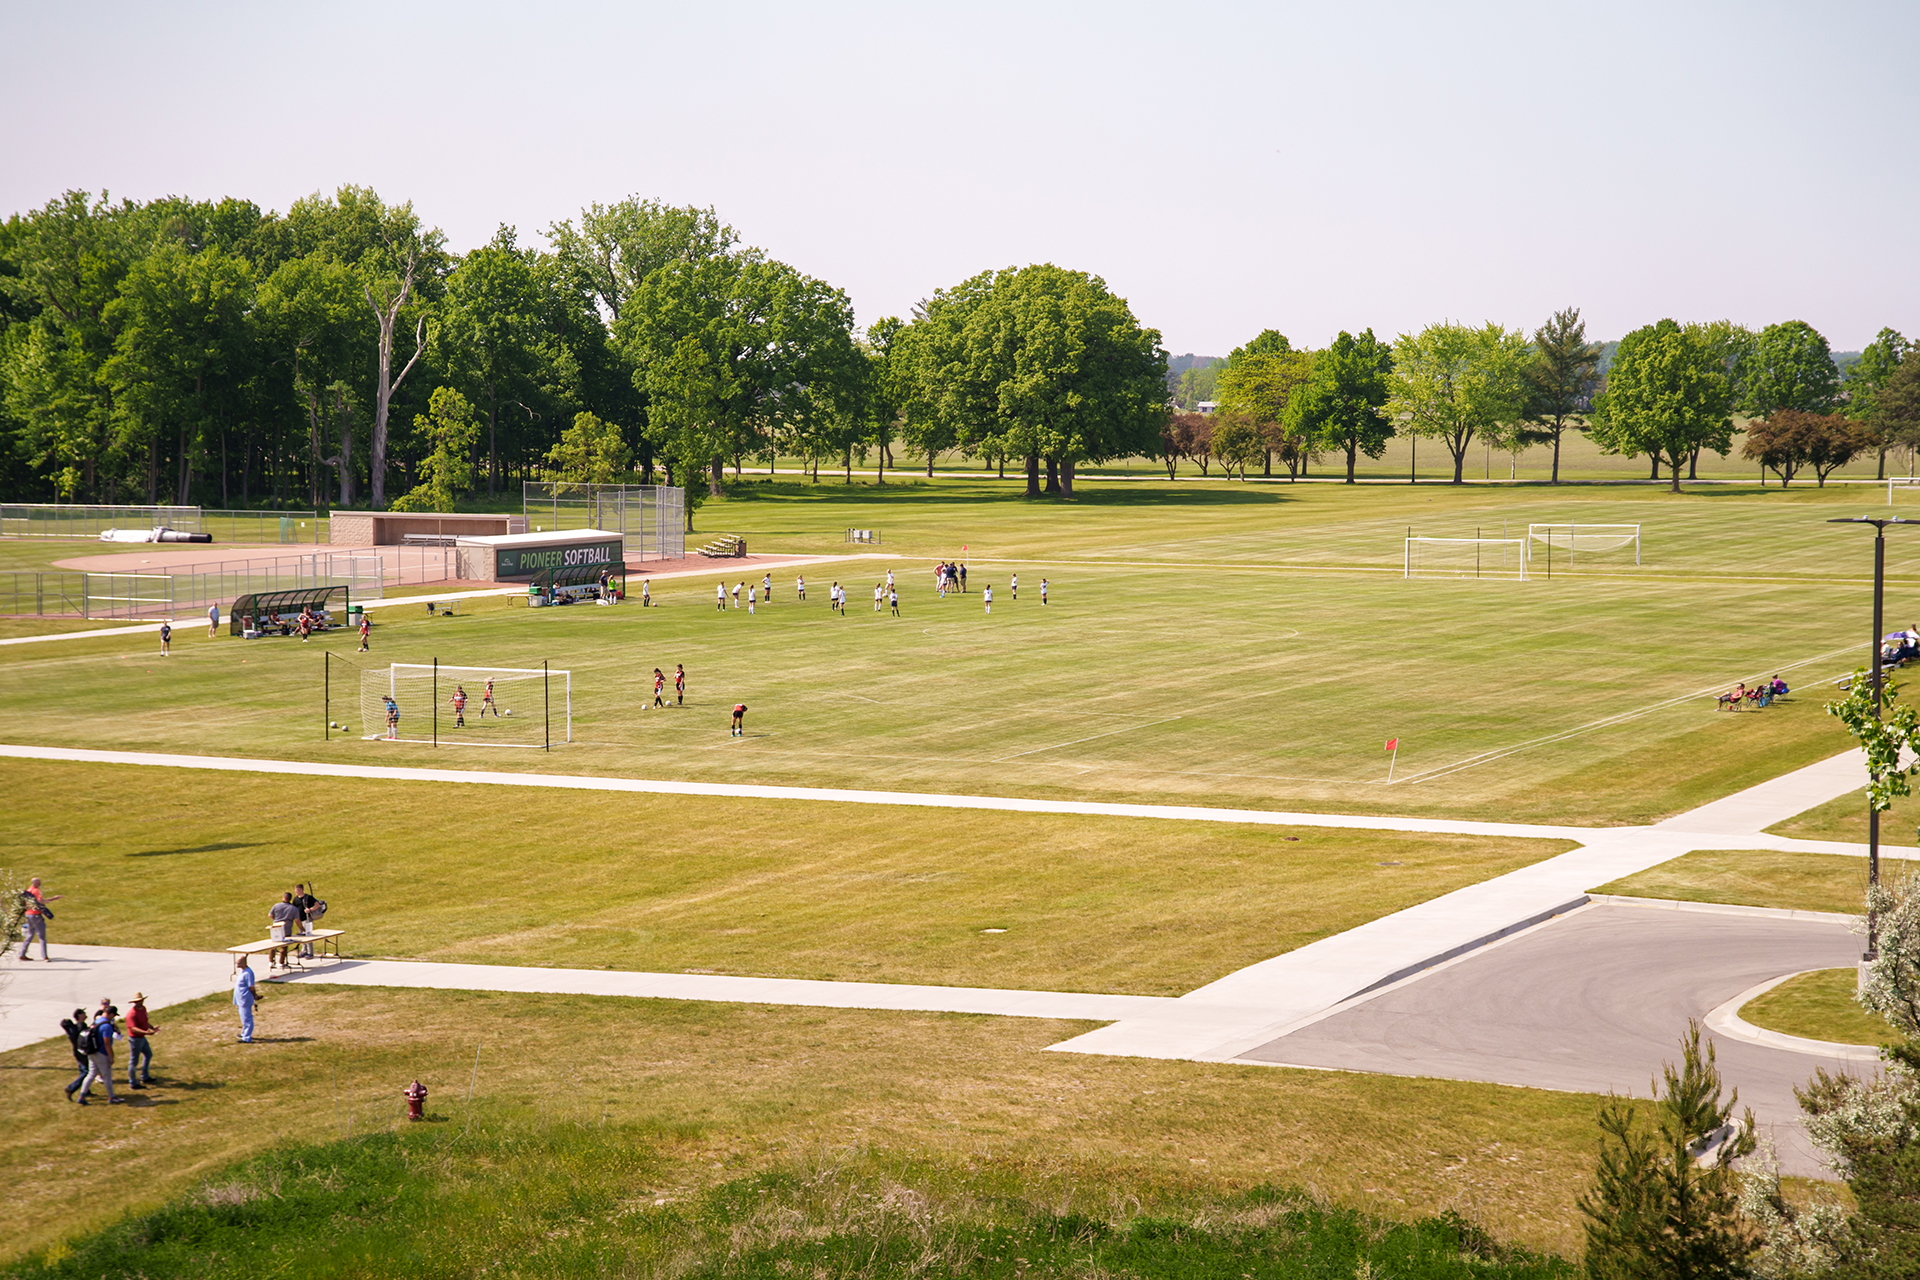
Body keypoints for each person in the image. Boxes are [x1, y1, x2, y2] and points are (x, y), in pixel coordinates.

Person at [77, 1006, 121, 1104]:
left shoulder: (97, 1020)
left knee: (91, 1074)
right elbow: (107, 1043)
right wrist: (111, 1056)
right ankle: (112, 1097)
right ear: (111, 1014)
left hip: (92, 1052)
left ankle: (82, 1096)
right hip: (102, 1053)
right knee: (107, 1076)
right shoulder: (107, 1026)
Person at [17, 876, 59, 960]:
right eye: (39, 883)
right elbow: (40, 901)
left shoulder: (29, 890)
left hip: (28, 914)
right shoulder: (36, 891)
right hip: (36, 915)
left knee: (30, 934)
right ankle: (45, 956)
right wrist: (53, 899)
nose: (39, 884)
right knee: (42, 936)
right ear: (35, 883)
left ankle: (22, 954)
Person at [125, 992, 156, 1088]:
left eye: (140, 1000)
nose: (139, 1002)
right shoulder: (131, 1014)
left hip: (142, 1038)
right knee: (134, 1061)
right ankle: (133, 1082)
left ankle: (145, 1076)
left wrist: (152, 1027)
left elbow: (145, 1021)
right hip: (135, 1039)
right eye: (137, 1001)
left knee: (148, 1054)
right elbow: (133, 1028)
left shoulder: (143, 1009)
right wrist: (146, 1032)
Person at [60, 1008, 91, 1101]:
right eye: (83, 1013)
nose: (85, 1014)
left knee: (83, 1071)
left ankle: (86, 1090)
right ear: (79, 1015)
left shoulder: (74, 1027)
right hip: (82, 1052)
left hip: (76, 1052)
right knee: (87, 1073)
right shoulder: (81, 1025)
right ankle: (71, 1088)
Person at [269, 892, 301, 969]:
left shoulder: (276, 906)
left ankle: (271, 961)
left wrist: (277, 921)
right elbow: (297, 920)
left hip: (276, 928)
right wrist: (302, 929)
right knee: (284, 946)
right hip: (286, 928)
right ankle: (281, 963)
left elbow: (270, 915)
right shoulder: (293, 908)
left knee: (273, 945)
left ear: (283, 898)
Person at [233, 955, 258, 1043]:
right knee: (243, 1017)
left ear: (244, 963)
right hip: (240, 999)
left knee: (247, 1018)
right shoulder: (242, 971)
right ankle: (244, 1033)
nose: (237, 964)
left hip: (245, 999)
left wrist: (255, 996)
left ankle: (247, 1038)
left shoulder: (248, 973)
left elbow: (251, 986)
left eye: (239, 963)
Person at [294, 883, 320, 958]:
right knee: (302, 935)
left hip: (307, 919)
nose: (297, 891)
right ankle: (304, 951)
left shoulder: (308, 897)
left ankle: (310, 952)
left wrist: (310, 910)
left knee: (308, 935)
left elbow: (317, 905)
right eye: (296, 890)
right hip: (299, 920)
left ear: (302, 890)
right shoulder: (296, 899)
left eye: (298, 890)